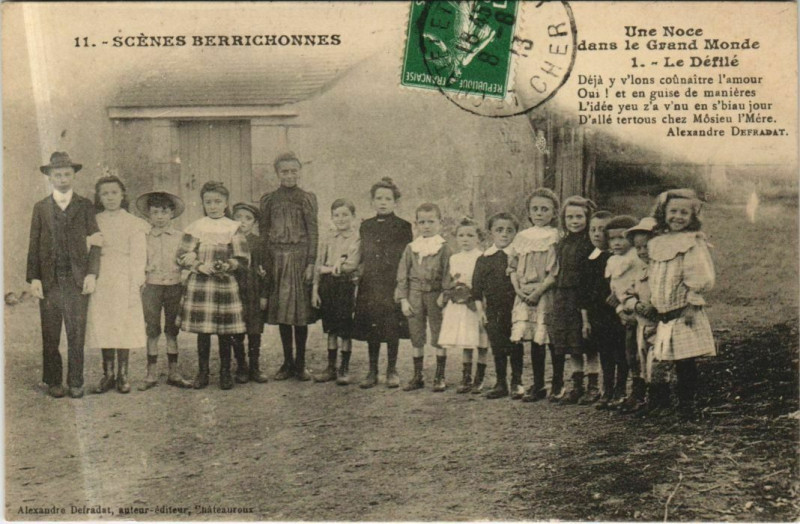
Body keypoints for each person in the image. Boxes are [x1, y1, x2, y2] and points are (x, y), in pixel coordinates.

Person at [26, 152, 102, 398]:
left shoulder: (85, 205)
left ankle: (76, 381)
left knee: (76, 331)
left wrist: (92, 273)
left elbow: (96, 241)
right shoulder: (41, 207)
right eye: (57, 175)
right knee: (50, 332)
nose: (63, 179)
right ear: (49, 177)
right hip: (49, 281)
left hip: (77, 278)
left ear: (74, 176)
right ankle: (54, 381)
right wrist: (34, 278)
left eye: (67, 174)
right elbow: (34, 244)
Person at [648, 189, 716, 419]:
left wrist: (692, 303)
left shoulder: (691, 242)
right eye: (673, 211)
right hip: (663, 313)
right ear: (663, 213)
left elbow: (699, 275)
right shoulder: (657, 242)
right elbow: (655, 275)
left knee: (684, 361)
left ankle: (687, 405)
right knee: (660, 358)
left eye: (684, 213)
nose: (678, 217)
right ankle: (661, 401)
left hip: (683, 312)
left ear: (693, 216)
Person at [178, 181, 249, 390]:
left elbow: (243, 259)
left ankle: (225, 372)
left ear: (226, 203)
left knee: (225, 332)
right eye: (208, 202)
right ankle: (203, 372)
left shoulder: (233, 228)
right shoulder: (196, 226)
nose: (213, 206)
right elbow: (181, 255)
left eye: (218, 201)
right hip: (201, 285)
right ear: (202, 203)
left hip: (224, 284)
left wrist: (226, 264)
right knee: (204, 332)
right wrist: (199, 265)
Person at [85, 176, 149, 394]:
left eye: (114, 193)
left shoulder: (132, 222)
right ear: (99, 197)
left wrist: (136, 280)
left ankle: (123, 374)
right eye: (105, 194)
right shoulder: (94, 220)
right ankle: (108, 373)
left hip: (124, 276)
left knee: (124, 323)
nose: (110, 197)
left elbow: (139, 256)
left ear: (123, 195)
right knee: (104, 323)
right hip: (102, 276)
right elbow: (87, 248)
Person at [259, 152, 319, 381]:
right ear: (277, 173)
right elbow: (263, 233)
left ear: (300, 171)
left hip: (300, 258)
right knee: (283, 313)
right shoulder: (269, 200)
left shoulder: (307, 198)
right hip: (277, 259)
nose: (290, 175)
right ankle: (287, 362)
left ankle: (301, 363)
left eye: (294, 170)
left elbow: (314, 232)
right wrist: (266, 262)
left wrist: (311, 262)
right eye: (285, 171)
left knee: (300, 313)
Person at [352, 178, 413, 389]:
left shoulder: (404, 227)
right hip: (370, 284)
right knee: (372, 327)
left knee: (391, 327)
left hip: (392, 283)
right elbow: (361, 256)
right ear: (372, 201)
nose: (383, 202)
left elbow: (406, 259)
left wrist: (401, 286)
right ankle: (372, 371)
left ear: (396, 202)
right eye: (379, 198)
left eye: (388, 198)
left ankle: (392, 370)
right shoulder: (365, 226)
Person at [135, 191, 193, 390]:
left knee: (171, 330)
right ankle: (151, 374)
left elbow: (187, 260)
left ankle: (174, 372)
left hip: (174, 287)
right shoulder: (143, 237)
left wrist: (185, 269)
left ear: (172, 213)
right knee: (152, 329)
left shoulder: (181, 237)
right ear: (149, 215)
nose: (160, 216)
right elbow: (137, 261)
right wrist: (143, 269)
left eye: (164, 212)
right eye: (155, 212)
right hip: (151, 287)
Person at [510, 188, 561, 402]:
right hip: (524, 294)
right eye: (535, 209)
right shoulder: (521, 238)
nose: (539, 213)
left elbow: (554, 272)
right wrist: (518, 290)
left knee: (549, 337)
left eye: (545, 209)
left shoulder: (556, 237)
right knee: (531, 338)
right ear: (529, 212)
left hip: (546, 293)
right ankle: (538, 384)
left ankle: (557, 384)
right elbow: (512, 266)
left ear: (554, 213)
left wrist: (538, 291)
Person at [396, 203, 451, 392]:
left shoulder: (443, 248)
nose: (426, 226)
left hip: (436, 294)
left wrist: (445, 295)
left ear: (440, 223)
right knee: (416, 333)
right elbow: (402, 274)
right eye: (422, 222)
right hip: (415, 293)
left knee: (439, 333)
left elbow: (448, 273)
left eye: (431, 221)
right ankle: (417, 375)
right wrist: (403, 299)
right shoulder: (412, 248)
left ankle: (439, 375)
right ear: (416, 224)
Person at [548, 196, 598, 404]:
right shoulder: (562, 243)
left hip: (583, 295)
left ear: (588, 217)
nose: (574, 221)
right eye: (570, 217)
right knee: (571, 342)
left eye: (579, 216)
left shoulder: (590, 243)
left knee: (588, 342)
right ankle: (577, 386)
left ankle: (593, 386)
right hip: (564, 295)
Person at [578, 210, 627, 410]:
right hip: (598, 314)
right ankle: (607, 389)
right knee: (605, 352)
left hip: (617, 312)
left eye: (602, 230)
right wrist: (586, 319)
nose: (597, 234)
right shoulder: (589, 259)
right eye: (593, 230)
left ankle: (621, 389)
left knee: (621, 353)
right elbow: (584, 292)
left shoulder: (618, 258)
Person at [311, 199, 361, 385]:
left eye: (345, 215)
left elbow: (351, 265)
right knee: (331, 328)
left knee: (345, 329)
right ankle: (330, 367)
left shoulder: (356, 238)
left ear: (353, 217)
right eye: (336, 215)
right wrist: (315, 290)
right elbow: (318, 265)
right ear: (332, 217)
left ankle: (344, 368)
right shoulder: (327, 238)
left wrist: (330, 268)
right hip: (328, 287)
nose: (341, 219)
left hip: (346, 286)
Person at [472, 212, 521, 399]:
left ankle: (517, 382)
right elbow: (476, 288)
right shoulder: (484, 259)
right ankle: (501, 383)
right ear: (491, 232)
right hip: (493, 309)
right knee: (497, 345)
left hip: (514, 307)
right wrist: (480, 311)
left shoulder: (517, 256)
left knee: (515, 344)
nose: (504, 234)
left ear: (516, 233)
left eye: (509, 230)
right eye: (499, 230)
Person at [438, 217, 490, 394]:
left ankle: (479, 377)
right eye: (461, 235)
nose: (465, 239)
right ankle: (466, 376)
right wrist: (448, 294)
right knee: (467, 340)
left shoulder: (482, 256)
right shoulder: (454, 258)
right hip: (460, 303)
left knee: (482, 340)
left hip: (477, 302)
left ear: (478, 238)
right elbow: (451, 280)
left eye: (470, 235)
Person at [621, 217, 663, 416]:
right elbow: (626, 295)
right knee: (643, 359)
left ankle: (659, 399)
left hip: (660, 324)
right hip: (643, 324)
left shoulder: (664, 271)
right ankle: (647, 398)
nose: (642, 252)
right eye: (638, 248)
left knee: (658, 361)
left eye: (646, 246)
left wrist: (655, 306)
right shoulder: (640, 272)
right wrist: (636, 304)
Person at [605, 215, 645, 410]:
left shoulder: (637, 259)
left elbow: (637, 286)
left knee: (641, 351)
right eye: (612, 239)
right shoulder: (613, 260)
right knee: (629, 353)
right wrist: (619, 307)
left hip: (640, 310)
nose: (617, 243)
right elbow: (616, 288)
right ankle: (633, 390)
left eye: (621, 238)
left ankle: (641, 392)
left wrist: (631, 305)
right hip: (625, 310)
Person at [231, 202, 271, 384]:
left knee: (254, 330)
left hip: (254, 291)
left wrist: (264, 295)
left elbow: (266, 270)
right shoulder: (229, 240)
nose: (243, 222)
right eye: (238, 217)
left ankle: (255, 367)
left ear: (254, 222)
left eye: (248, 218)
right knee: (236, 330)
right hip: (235, 289)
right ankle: (241, 366)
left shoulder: (259, 242)